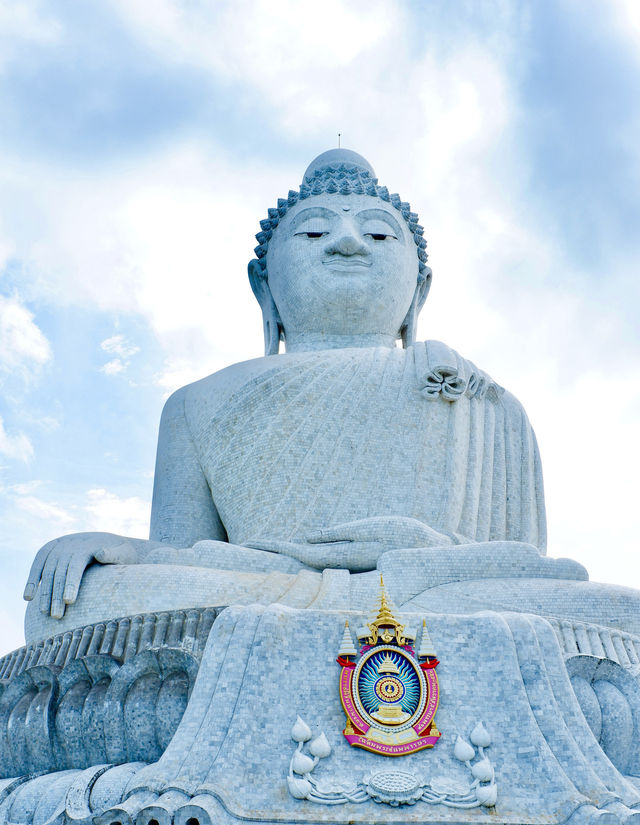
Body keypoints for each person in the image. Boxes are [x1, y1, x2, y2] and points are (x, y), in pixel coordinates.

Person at [23, 149, 571, 622]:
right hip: (263, 592)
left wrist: (417, 559)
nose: (349, 243)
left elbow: (522, 566)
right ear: (263, 283)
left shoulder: (485, 402)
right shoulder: (195, 405)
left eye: (379, 233)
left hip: (431, 599)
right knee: (85, 600)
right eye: (314, 230)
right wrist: (132, 556)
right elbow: (180, 555)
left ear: (418, 291)